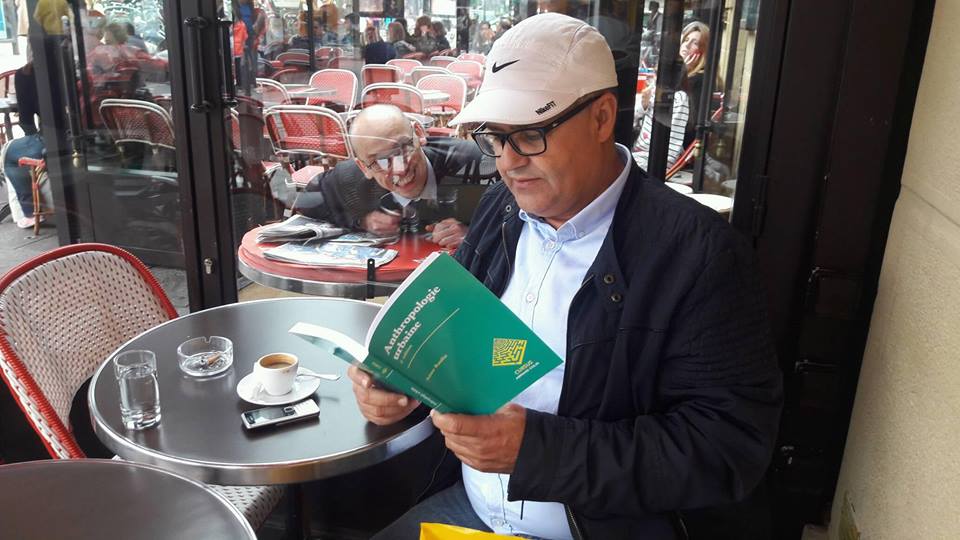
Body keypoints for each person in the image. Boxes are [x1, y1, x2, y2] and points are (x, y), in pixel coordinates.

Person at [353, 13, 782, 539]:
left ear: (602, 118)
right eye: (496, 138)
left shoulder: (699, 254)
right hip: (470, 508)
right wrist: (398, 385)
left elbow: (727, 448)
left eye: (530, 135)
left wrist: (538, 451)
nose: (508, 163)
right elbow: (453, 338)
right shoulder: (500, 209)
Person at [297, 105, 494, 248]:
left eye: (403, 149)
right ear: (364, 167)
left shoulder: (479, 165)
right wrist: (361, 220)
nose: (399, 169)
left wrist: (474, 234)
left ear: (419, 134)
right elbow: (306, 202)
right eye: (380, 161)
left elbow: (511, 222)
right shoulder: (350, 179)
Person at [3, 60, 45, 229]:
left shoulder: (26, 73)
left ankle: (29, 213)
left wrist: (34, 139)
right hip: (87, 138)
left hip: (54, 140)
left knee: (8, 154)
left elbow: (26, 120)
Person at [680, 21, 710, 144]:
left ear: (703, 51)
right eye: (686, 40)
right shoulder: (687, 74)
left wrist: (682, 72)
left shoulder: (699, 80)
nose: (686, 45)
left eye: (695, 43)